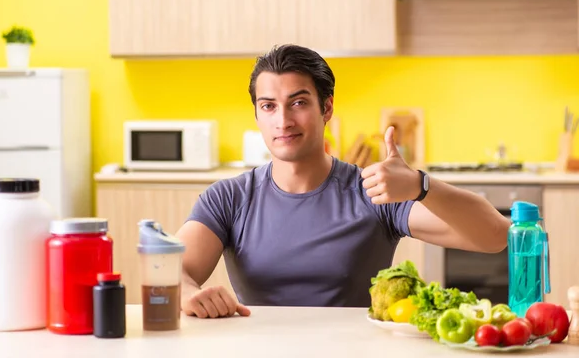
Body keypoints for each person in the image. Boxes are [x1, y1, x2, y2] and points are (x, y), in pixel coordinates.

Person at [175, 44, 510, 319]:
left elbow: (495, 236)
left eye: (299, 102)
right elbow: (170, 269)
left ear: (327, 108)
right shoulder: (229, 198)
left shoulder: (372, 192)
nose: (283, 120)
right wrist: (189, 293)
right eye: (269, 106)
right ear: (257, 115)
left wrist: (421, 186)